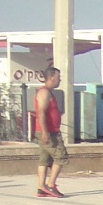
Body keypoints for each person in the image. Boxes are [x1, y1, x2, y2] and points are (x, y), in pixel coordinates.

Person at [33, 67, 70, 197]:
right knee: (61, 156)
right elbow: (41, 113)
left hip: (50, 131)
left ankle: (41, 187)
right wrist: (45, 132)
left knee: (44, 159)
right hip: (49, 132)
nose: (59, 80)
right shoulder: (44, 93)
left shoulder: (49, 92)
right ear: (51, 78)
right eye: (58, 77)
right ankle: (51, 185)